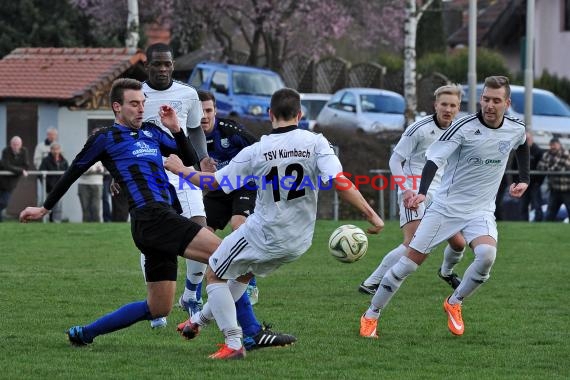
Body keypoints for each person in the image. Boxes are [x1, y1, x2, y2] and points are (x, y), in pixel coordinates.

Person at [164, 88, 384, 359]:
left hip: (264, 232)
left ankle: (233, 344)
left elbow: (213, 182)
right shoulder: (316, 142)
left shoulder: (258, 150)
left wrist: (181, 169)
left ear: (270, 115)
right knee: (241, 275)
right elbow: (339, 182)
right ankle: (197, 322)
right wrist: (371, 214)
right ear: (300, 114)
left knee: (214, 274)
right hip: (298, 241)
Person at [19, 78, 222, 350]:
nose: (141, 109)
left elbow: (189, 161)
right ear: (117, 107)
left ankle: (84, 333)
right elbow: (73, 171)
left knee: (159, 307)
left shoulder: (152, 132)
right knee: (226, 256)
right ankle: (247, 333)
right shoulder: (104, 138)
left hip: (156, 222)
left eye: (143, 103)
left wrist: (176, 130)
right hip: (152, 217)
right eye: (134, 104)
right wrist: (45, 207)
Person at [359, 76, 530, 339]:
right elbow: (432, 160)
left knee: (486, 256)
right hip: (446, 208)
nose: (490, 105)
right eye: (486, 99)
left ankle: (454, 301)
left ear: (507, 103)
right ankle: (371, 315)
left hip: (481, 210)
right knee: (408, 265)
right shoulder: (462, 128)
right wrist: (422, 193)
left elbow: (522, 146)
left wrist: (524, 180)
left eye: (496, 100)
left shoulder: (515, 128)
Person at [176, 89, 294, 351]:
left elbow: (265, 152)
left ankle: (246, 279)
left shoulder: (232, 132)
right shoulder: (187, 137)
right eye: (200, 111)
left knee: (239, 225)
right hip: (217, 192)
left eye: (209, 110)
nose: (204, 116)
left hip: (243, 188)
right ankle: (191, 293)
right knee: (200, 234)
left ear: (215, 111)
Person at [359, 85, 466, 296]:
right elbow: (395, 160)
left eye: (453, 105)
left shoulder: (460, 130)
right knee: (412, 242)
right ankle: (372, 282)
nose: (448, 109)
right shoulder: (420, 128)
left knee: (459, 243)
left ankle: (446, 272)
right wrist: (405, 189)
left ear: (458, 107)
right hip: (414, 190)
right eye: (444, 104)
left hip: (440, 193)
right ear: (435, 105)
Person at [139, 43, 214, 329]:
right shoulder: (137, 95)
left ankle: (191, 292)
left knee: (200, 227)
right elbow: (122, 138)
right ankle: (156, 307)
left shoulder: (188, 94)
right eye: (156, 64)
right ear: (147, 65)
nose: (162, 69)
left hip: (182, 170)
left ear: (172, 65)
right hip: (147, 174)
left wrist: (203, 158)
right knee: (153, 240)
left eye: (166, 64)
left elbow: (195, 129)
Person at [536, 137, 570, 221]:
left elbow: (558, 168)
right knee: (549, 214)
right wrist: (551, 168)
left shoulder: (566, 153)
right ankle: (544, 231)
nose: (553, 147)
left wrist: (548, 167)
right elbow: (540, 167)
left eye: (554, 145)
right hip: (554, 189)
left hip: (567, 189)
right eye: (551, 145)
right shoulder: (546, 154)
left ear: (559, 145)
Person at [0, 136, 30, 222]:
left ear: (21, 145)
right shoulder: (6, 151)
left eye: (17, 144)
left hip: (11, 182)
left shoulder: (24, 151)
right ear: (10, 144)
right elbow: (6, 165)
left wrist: (17, 169)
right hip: (1, 179)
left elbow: (26, 166)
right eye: (14, 144)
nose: (16, 146)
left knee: (4, 202)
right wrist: (20, 170)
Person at [517, 132, 544, 221]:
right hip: (522, 183)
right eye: (525, 139)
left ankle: (538, 223)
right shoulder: (519, 149)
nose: (526, 141)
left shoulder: (538, 151)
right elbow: (514, 165)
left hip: (534, 184)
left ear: (532, 139)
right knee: (522, 206)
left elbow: (542, 169)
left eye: (528, 139)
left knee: (537, 205)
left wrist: (538, 183)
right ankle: (523, 223)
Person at [39, 143, 69, 222]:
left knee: (58, 207)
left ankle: (56, 223)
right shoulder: (46, 160)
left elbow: (69, 174)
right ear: (51, 150)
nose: (56, 151)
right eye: (54, 149)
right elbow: (40, 174)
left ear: (60, 150)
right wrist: (47, 185)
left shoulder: (64, 161)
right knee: (47, 206)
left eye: (57, 149)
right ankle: (46, 221)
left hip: (60, 188)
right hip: (49, 189)